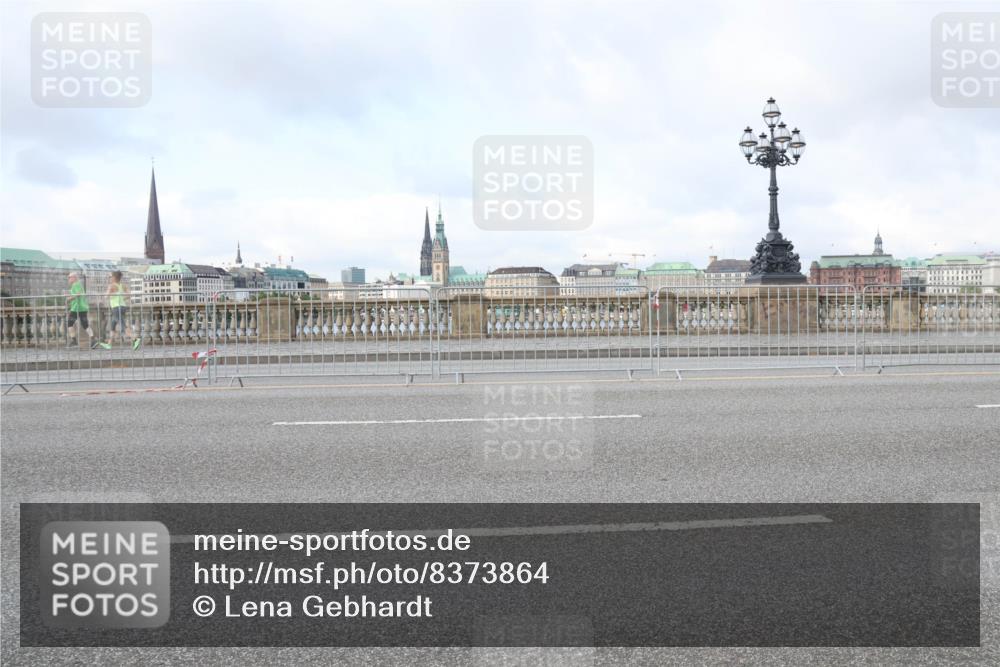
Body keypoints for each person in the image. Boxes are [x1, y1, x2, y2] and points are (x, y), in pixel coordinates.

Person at [101, 270, 136, 349]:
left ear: (113, 278)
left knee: (123, 326)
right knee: (113, 326)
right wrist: (122, 297)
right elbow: (130, 294)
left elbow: (106, 296)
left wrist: (108, 295)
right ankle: (109, 344)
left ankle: (135, 339)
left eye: (110, 277)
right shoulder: (123, 285)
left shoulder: (112, 286)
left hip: (116, 308)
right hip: (122, 306)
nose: (109, 278)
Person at [65, 273, 95, 348]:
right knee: (85, 325)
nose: (68, 279)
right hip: (82, 308)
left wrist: (69, 299)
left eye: (69, 277)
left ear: (74, 278)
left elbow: (78, 294)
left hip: (76, 308)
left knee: (69, 324)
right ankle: (93, 340)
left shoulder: (75, 284)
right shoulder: (78, 284)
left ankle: (74, 341)